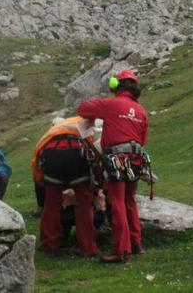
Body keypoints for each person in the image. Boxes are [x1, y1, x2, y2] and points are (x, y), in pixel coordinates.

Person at [77, 69, 149, 263]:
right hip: (135, 157)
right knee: (129, 200)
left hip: (117, 156)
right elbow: (142, 139)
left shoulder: (112, 104)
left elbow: (82, 109)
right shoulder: (141, 111)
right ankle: (136, 244)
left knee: (116, 202)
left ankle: (121, 250)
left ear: (116, 85)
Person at [31, 117, 100, 257]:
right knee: (84, 204)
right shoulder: (82, 122)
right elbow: (92, 148)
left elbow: (36, 158)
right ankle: (87, 248)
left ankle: (49, 245)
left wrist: (40, 181)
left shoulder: (50, 133)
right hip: (76, 154)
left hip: (52, 157)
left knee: (51, 205)